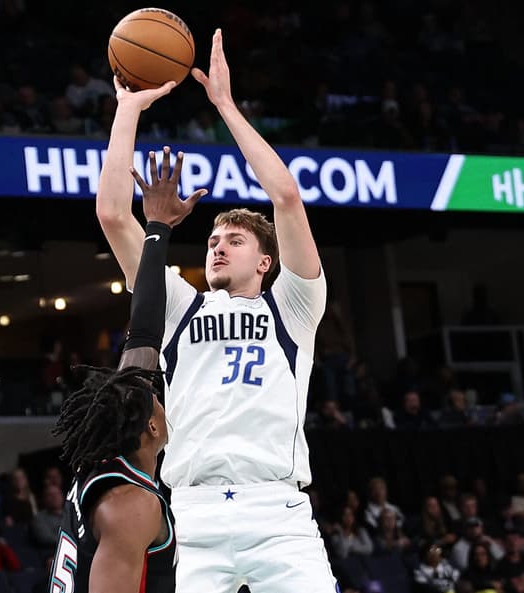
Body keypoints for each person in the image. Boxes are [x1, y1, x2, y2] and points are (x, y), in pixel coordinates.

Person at [95, 28, 333, 593]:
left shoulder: (295, 307)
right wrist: (126, 109)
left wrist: (225, 106)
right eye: (213, 240)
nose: (218, 245)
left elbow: (287, 198)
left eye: (235, 240)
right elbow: (111, 214)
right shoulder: (179, 305)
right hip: (194, 515)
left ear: (267, 262)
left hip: (277, 515)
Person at [53, 147, 200, 593]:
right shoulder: (131, 503)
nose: (162, 393)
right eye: (157, 395)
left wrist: (157, 228)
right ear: (152, 428)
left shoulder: (103, 467)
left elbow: (143, 333)